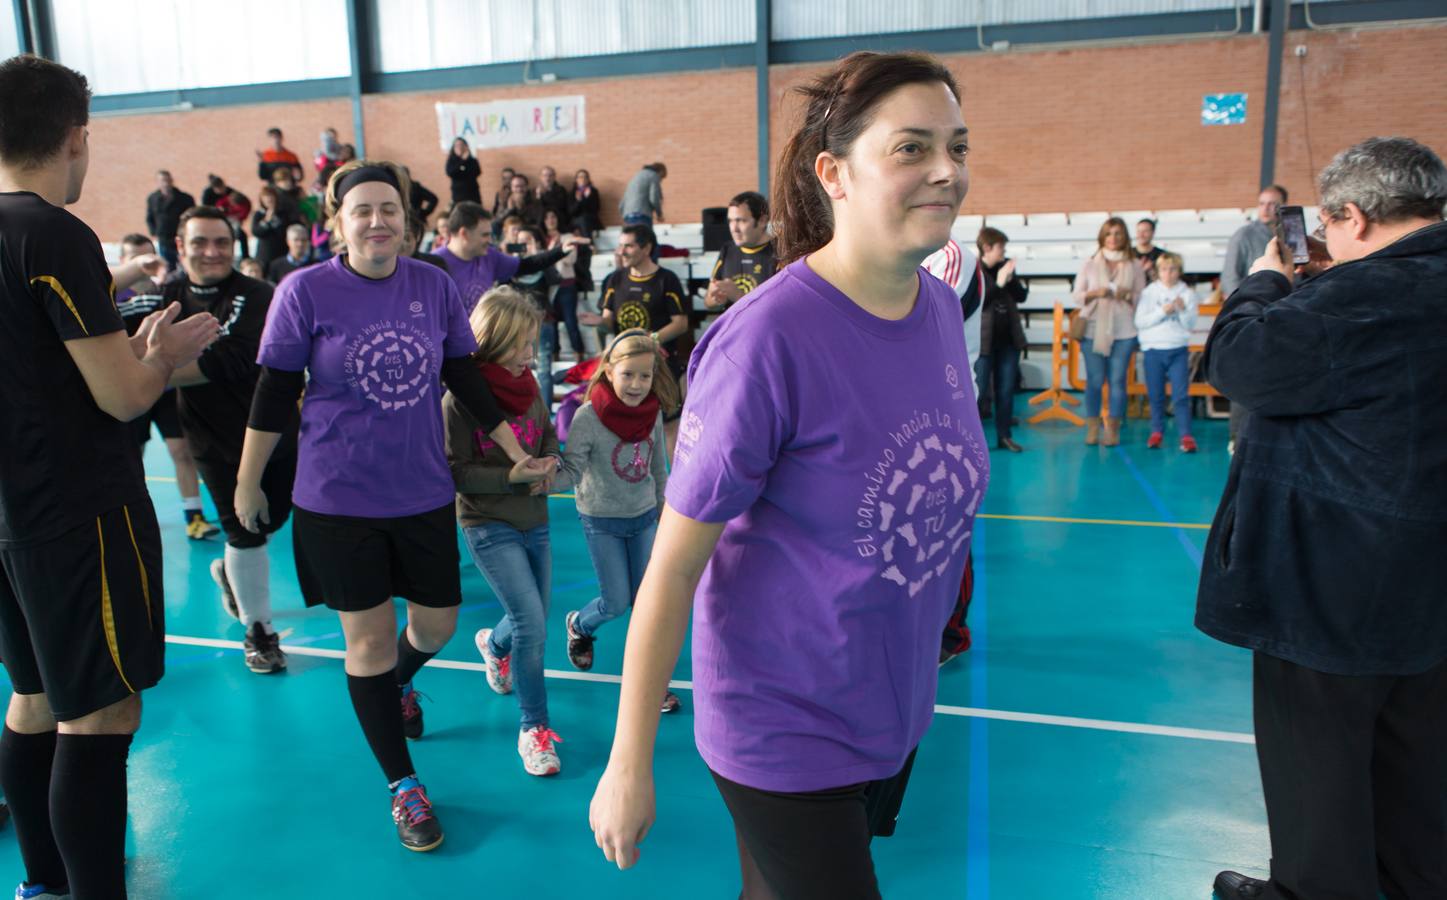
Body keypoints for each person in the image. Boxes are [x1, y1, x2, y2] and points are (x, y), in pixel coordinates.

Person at [588, 51, 988, 899]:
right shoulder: (765, 341)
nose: (946, 171)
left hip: (891, 706)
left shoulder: (940, 313)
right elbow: (671, 568)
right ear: (833, 173)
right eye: (911, 148)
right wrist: (629, 761)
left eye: (956, 146)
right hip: (785, 723)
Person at [235, 159, 538, 852]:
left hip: (422, 491)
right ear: (336, 222)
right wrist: (249, 480)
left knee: (435, 627)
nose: (376, 222)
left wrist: (512, 449)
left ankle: (397, 685)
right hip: (336, 499)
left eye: (389, 210)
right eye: (361, 210)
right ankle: (404, 787)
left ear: (408, 218)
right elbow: (275, 392)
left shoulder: (431, 286)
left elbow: (464, 373)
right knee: (365, 642)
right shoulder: (303, 290)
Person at [1199, 136, 1447, 900]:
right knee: (1413, 763)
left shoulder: (1360, 295)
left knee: (1316, 765)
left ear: (1351, 216)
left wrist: (1265, 282)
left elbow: (1237, 363)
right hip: (1426, 576)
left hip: (1330, 578)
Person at [0, 53, 220, 899]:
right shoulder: (54, 233)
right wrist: (159, 354)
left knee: (32, 701)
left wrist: (119, 322)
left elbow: (36, 363)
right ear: (75, 136)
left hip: (15, 515)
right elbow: (125, 397)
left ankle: (40, 885)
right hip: (79, 516)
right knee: (99, 717)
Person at [145, 206, 298, 673]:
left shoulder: (258, 294)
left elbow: (231, 361)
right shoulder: (161, 300)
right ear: (179, 246)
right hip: (211, 439)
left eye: (221, 242)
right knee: (242, 529)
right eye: (200, 242)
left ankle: (233, 576)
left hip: (273, 431)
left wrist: (154, 370)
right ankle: (259, 632)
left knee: (271, 519)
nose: (211, 252)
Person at [443, 286, 562, 775]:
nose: (529, 356)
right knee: (532, 623)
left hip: (535, 519)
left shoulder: (529, 385)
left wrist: (552, 461)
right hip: (488, 522)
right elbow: (454, 472)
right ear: (492, 340)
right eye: (521, 345)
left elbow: (548, 431)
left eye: (533, 344)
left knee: (531, 614)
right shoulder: (458, 402)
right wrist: (509, 477)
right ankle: (534, 728)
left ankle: (493, 646)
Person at [557, 329, 682, 712]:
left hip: (643, 517)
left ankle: (653, 686)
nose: (637, 384)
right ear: (609, 371)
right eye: (628, 374)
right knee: (615, 602)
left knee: (647, 605)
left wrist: (666, 512)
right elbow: (573, 470)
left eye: (645, 376)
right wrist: (541, 479)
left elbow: (658, 468)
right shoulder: (587, 417)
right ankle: (580, 625)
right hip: (602, 520)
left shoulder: (654, 411)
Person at [114, 235, 222, 540]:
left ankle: (195, 517)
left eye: (149, 257)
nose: (145, 265)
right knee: (132, 455)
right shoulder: (110, 301)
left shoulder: (168, 296)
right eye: (137, 259)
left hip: (166, 387)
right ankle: (131, 518)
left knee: (181, 450)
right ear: (125, 263)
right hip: (132, 388)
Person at [1221, 185, 1289, 451]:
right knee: (1246, 375)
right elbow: (1230, 277)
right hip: (1252, 314)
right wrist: (1244, 307)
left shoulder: (1292, 235)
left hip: (1285, 313)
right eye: (1262, 203)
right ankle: (1237, 438)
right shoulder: (1243, 235)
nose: (1266, 208)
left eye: (1273, 204)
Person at [435, 201, 587, 314]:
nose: (489, 240)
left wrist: (560, 251)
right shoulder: (434, 266)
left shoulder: (489, 255)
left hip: (481, 345)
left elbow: (526, 266)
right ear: (464, 234)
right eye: (485, 235)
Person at [1072, 217, 1145, 447]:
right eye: (1109, 234)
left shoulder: (1134, 265)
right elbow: (1077, 295)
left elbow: (1141, 297)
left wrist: (1125, 294)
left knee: (1117, 381)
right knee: (1094, 381)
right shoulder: (1090, 263)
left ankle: (1112, 429)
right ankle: (1093, 427)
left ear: (1124, 237)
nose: (1113, 238)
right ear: (1102, 237)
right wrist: (1096, 293)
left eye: (1118, 234)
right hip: (1092, 328)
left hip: (1124, 330)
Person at [588, 225, 688, 383]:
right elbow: (608, 321)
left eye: (628, 246)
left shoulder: (667, 280)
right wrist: (600, 322)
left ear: (647, 248)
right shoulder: (615, 279)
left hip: (657, 366)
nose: (621, 251)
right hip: (623, 366)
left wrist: (651, 340)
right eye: (620, 245)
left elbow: (681, 324)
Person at [1133, 251, 1198, 452]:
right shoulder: (1149, 292)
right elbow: (1140, 322)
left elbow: (1190, 324)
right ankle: (1156, 432)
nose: (1168, 273)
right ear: (1158, 271)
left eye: (1172, 269)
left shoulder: (1187, 293)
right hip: (1153, 349)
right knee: (1156, 395)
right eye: (1163, 269)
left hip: (1177, 348)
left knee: (1180, 395)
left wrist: (1181, 310)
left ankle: (1185, 435)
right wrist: (1163, 311)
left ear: (1179, 271)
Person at [974, 227, 1028, 452]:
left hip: (1008, 342)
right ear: (987, 248)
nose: (1003, 253)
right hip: (984, 343)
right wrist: (999, 282)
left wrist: (1010, 278)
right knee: (979, 391)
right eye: (1000, 249)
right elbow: (980, 302)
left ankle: (1004, 436)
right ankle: (972, 440)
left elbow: (1022, 296)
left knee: (1006, 391)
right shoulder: (975, 271)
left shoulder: (1005, 269)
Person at [704, 191, 777, 312]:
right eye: (730, 221)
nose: (734, 228)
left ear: (762, 221)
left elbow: (780, 309)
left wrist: (738, 295)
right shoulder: (727, 250)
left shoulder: (782, 253)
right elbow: (707, 302)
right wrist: (717, 299)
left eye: (741, 221)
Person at [544, 208, 585, 362]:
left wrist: (554, 251)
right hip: (549, 287)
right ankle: (554, 358)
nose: (550, 220)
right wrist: (551, 251)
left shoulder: (568, 237)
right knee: (551, 323)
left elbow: (570, 259)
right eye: (547, 218)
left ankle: (579, 356)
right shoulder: (542, 239)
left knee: (570, 322)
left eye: (553, 216)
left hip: (567, 285)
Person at [145, 169, 195, 270]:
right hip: (163, 238)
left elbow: (192, 216)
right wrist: (154, 232)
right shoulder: (153, 198)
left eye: (168, 180)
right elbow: (150, 217)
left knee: (185, 266)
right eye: (162, 180)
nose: (166, 183)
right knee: (167, 267)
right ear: (158, 182)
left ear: (172, 181)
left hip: (180, 236)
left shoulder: (185, 198)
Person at [201, 174, 252, 259]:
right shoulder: (208, 194)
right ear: (214, 189)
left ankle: (245, 257)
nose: (222, 191)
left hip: (231, 219)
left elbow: (244, 203)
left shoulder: (230, 192)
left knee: (241, 235)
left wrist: (240, 217)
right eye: (219, 189)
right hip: (214, 220)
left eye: (222, 187)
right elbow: (205, 209)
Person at [251, 184, 298, 273]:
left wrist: (276, 221)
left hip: (281, 252)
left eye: (270, 196)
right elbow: (256, 231)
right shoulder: (259, 214)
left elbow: (285, 231)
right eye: (265, 197)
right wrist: (267, 221)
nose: (269, 199)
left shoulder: (282, 213)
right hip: (265, 254)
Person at [444, 138, 481, 205]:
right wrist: (463, 161)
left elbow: (476, 172)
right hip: (459, 196)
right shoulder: (451, 161)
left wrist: (462, 169)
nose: (459, 147)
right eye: (456, 145)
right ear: (453, 148)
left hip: (473, 195)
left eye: (461, 145)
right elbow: (450, 172)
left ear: (465, 146)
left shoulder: (472, 160)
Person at [569, 168, 601, 235]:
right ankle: (589, 243)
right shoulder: (572, 193)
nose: (583, 179)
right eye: (580, 177)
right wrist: (579, 201)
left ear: (588, 179)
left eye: (585, 177)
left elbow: (596, 209)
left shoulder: (594, 192)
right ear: (576, 179)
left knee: (586, 219)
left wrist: (586, 198)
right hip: (576, 220)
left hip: (591, 219)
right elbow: (571, 211)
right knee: (583, 220)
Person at [1133, 218, 1164, 282]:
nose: (1141, 235)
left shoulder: (1162, 255)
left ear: (1153, 233)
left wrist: (1152, 272)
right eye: (1139, 231)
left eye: (1145, 231)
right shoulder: (1128, 254)